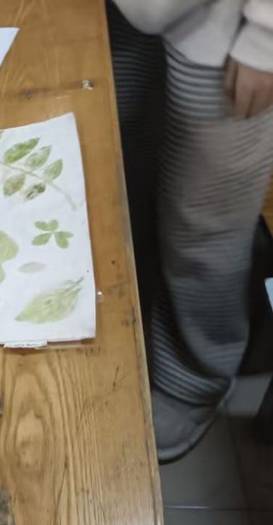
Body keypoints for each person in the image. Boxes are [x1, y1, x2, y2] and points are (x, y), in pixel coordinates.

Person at [108, 0, 273, 462]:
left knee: (204, 229)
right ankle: (144, 329)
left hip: (227, 29)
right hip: (124, 14)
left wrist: (267, 41)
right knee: (126, 178)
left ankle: (195, 378)